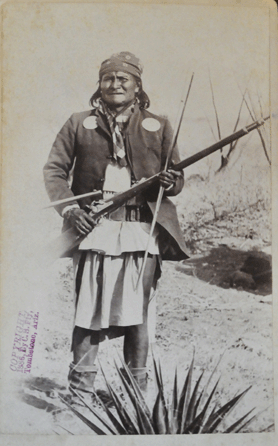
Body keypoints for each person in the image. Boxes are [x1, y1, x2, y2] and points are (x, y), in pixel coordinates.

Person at [43, 52, 189, 394]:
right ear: (100, 85)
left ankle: (135, 396)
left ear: (137, 86)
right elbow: (54, 171)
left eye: (124, 78)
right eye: (108, 78)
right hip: (94, 231)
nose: (115, 84)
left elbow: (178, 178)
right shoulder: (79, 123)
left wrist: (170, 182)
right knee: (87, 312)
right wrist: (70, 211)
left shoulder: (160, 124)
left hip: (141, 232)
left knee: (137, 314)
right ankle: (80, 394)